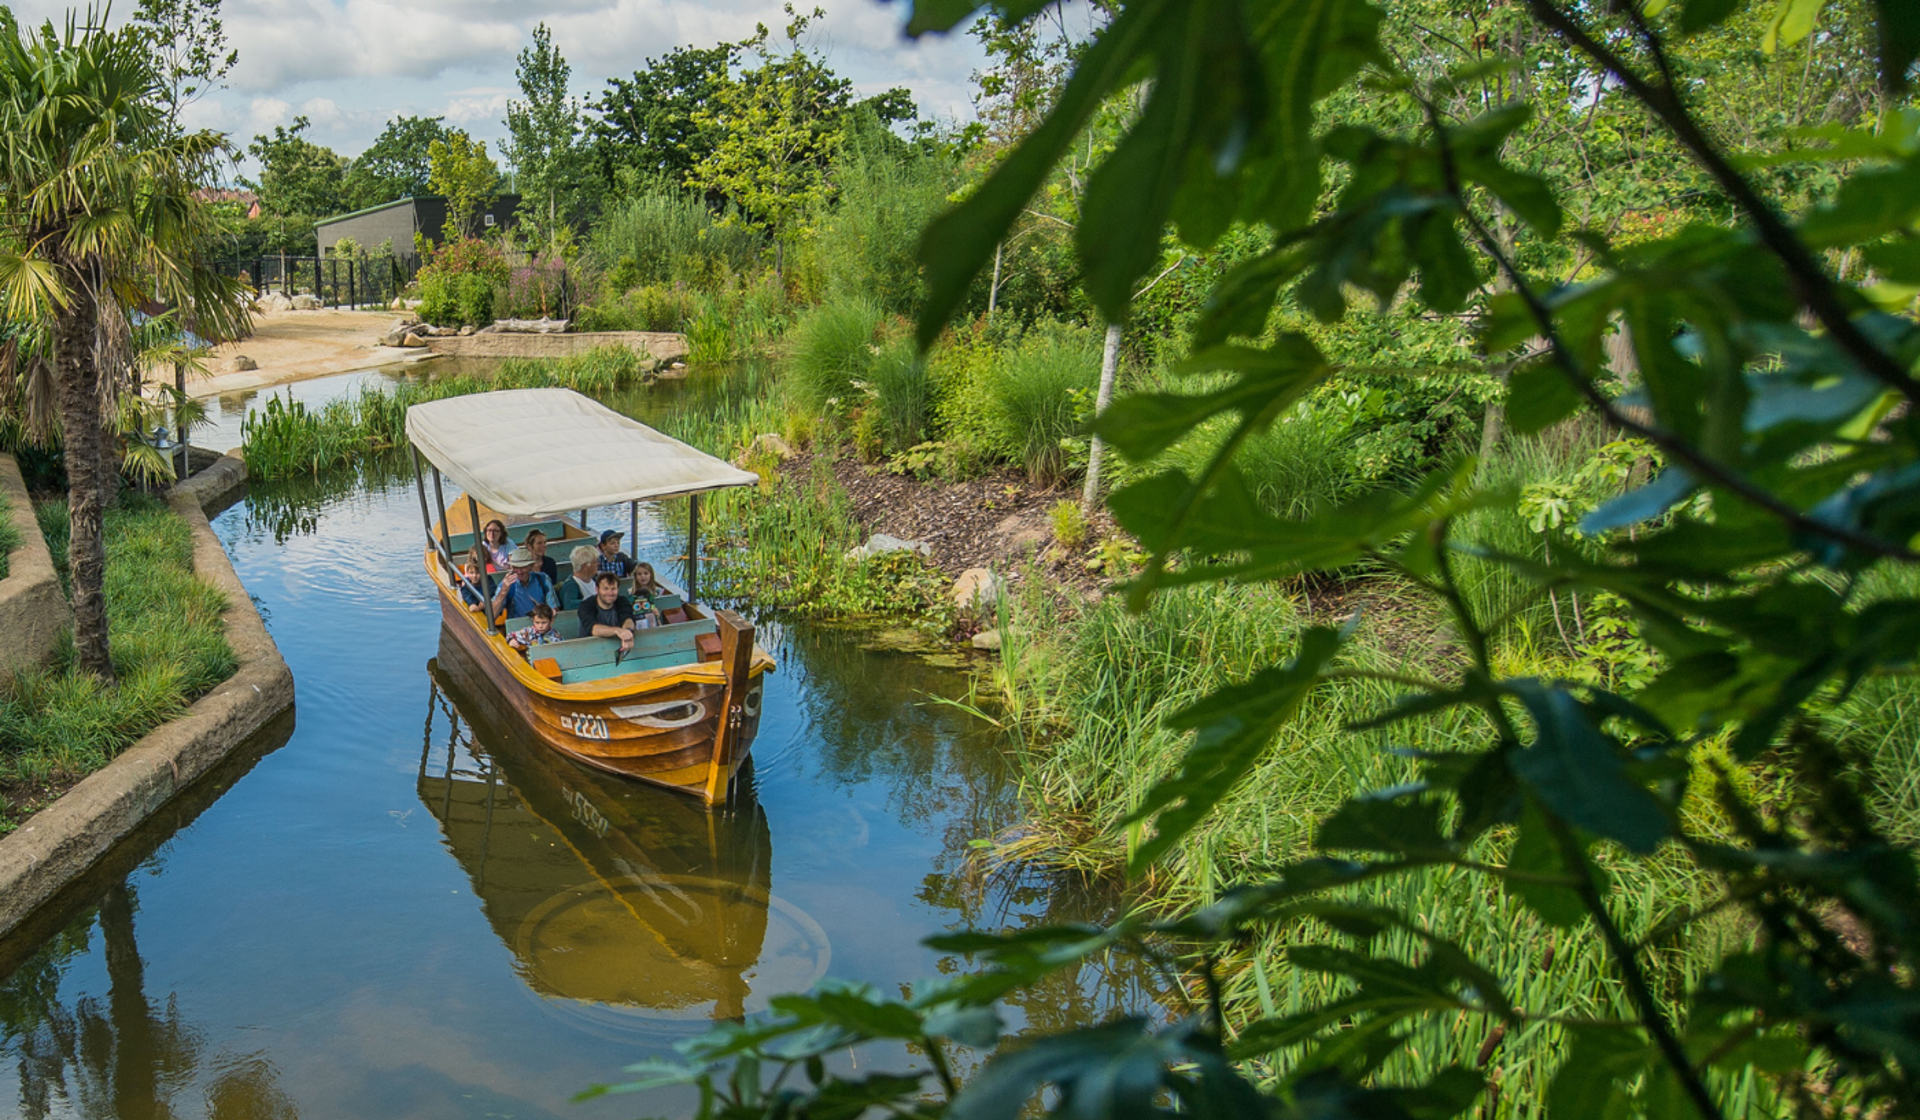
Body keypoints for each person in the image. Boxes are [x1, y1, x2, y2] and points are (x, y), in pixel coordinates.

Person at [577, 571, 637, 655]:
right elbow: (594, 629)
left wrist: (628, 632)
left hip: (616, 647)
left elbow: (627, 618)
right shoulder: (586, 605)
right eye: (605, 589)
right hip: (589, 650)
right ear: (597, 589)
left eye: (613, 589)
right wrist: (617, 630)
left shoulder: (622, 601)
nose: (610, 593)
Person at [492, 546, 558, 619]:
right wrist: (503, 592)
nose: (519, 572)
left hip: (540, 625)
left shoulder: (543, 579)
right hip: (517, 627)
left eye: (523, 567)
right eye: (516, 567)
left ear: (530, 566)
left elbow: (554, 608)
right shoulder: (506, 584)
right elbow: (493, 616)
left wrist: (551, 612)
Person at [559, 545, 599, 609]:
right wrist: (596, 601)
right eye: (594, 562)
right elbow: (569, 605)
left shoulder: (595, 580)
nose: (598, 564)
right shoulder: (571, 585)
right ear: (585, 566)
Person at [629, 561, 667, 626]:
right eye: (639, 574)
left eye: (646, 573)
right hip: (637, 621)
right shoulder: (631, 592)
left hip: (656, 620)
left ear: (651, 575)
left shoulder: (657, 591)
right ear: (636, 576)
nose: (643, 576)